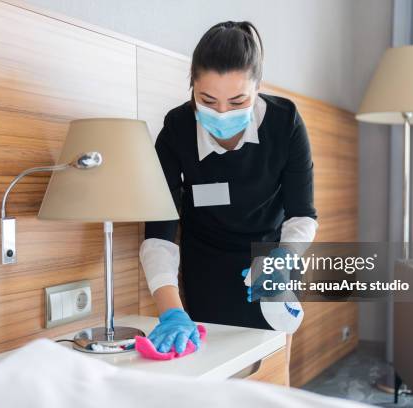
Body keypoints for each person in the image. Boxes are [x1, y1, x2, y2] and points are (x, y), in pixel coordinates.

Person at [139, 21, 318, 379]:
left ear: (258, 88)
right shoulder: (176, 130)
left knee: (268, 374)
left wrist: (283, 260)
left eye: (238, 101)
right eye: (207, 101)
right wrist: (170, 309)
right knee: (216, 375)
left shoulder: (285, 123)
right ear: (192, 87)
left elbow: (302, 214)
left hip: (268, 258)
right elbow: (159, 230)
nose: (222, 114)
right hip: (205, 263)